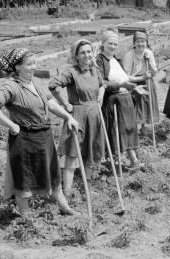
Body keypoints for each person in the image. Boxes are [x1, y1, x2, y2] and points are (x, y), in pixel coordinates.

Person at [0, 48, 79, 215]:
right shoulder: (11, 86)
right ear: (18, 67)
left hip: (44, 136)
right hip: (24, 140)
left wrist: (68, 117)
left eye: (35, 62)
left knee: (53, 173)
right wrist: (11, 125)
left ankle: (66, 208)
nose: (34, 67)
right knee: (25, 179)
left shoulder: (35, 82)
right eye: (30, 64)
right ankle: (27, 219)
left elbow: (50, 104)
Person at [49, 39, 105, 199]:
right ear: (76, 55)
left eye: (89, 51)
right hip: (78, 116)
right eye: (82, 52)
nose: (87, 55)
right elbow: (54, 85)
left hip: (94, 116)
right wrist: (66, 103)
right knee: (72, 156)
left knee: (89, 153)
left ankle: (86, 190)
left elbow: (102, 84)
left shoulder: (95, 70)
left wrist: (100, 97)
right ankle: (67, 192)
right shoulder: (71, 71)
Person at [96, 29, 142, 169]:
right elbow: (101, 82)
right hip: (114, 101)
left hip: (125, 99)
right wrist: (120, 85)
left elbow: (125, 78)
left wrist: (134, 87)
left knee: (128, 129)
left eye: (115, 44)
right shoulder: (100, 60)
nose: (113, 47)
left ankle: (133, 160)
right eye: (110, 43)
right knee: (117, 130)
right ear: (103, 43)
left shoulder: (116, 59)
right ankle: (114, 161)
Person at [122, 31, 159, 135]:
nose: (140, 44)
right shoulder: (129, 55)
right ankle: (133, 130)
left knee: (146, 105)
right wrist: (142, 77)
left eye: (143, 41)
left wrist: (149, 60)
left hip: (147, 81)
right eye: (138, 41)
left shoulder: (149, 53)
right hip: (133, 82)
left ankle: (143, 128)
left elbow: (154, 73)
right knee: (136, 106)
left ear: (146, 43)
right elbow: (126, 77)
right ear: (134, 43)